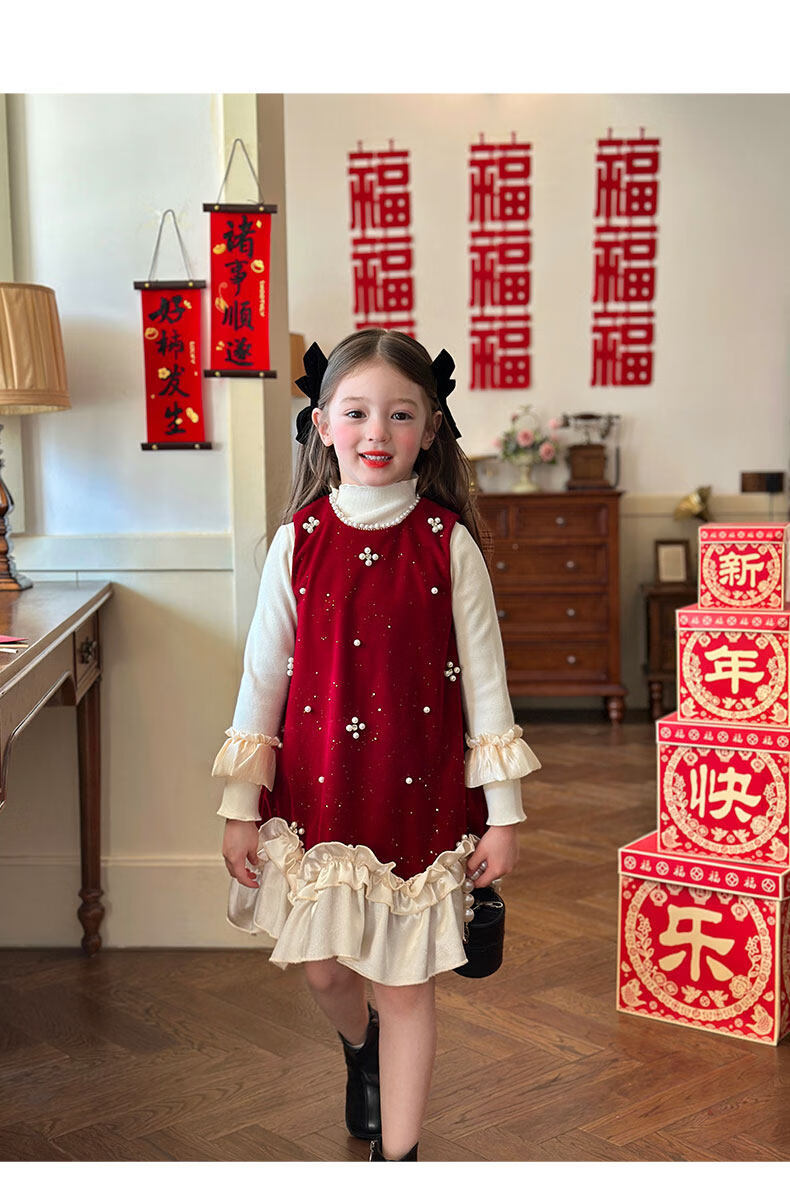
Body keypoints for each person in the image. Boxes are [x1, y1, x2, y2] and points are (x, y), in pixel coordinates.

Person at [212, 329, 541, 1162]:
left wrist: (503, 815)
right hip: (319, 792)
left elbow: (488, 686)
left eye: (400, 414)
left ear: (430, 429)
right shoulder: (297, 540)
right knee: (327, 971)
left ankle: (398, 1156)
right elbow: (262, 680)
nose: (376, 431)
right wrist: (240, 805)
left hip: (418, 797)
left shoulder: (447, 542)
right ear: (322, 424)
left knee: (404, 985)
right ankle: (361, 1052)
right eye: (356, 412)